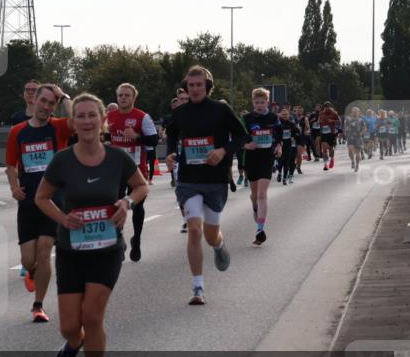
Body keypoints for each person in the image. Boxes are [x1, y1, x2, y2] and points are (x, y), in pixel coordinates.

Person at [36, 93, 148, 357]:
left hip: (107, 249)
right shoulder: (62, 160)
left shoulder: (117, 158)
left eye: (92, 116)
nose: (86, 121)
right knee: (70, 325)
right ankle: (75, 343)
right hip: (72, 249)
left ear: (103, 121)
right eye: (81, 116)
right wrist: (62, 218)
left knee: (92, 315)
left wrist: (127, 202)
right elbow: (41, 198)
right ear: (74, 123)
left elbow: (142, 186)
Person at [165, 66, 249, 305]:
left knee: (210, 235)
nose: (194, 89)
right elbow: (171, 133)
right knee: (194, 230)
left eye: (198, 85)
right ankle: (198, 287)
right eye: (190, 85)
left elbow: (243, 137)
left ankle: (219, 244)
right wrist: (171, 153)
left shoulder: (221, 110)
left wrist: (223, 151)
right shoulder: (181, 113)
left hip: (215, 180)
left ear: (207, 86)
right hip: (189, 180)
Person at [6, 83, 73, 322]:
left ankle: (38, 306)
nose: (46, 106)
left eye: (51, 103)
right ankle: (32, 272)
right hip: (28, 203)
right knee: (28, 260)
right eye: (42, 101)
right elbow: (11, 166)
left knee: (45, 252)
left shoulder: (58, 128)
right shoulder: (18, 132)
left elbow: (76, 119)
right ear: (34, 101)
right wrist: (14, 187)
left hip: (54, 201)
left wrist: (64, 95)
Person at [105, 82, 157, 262]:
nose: (123, 98)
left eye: (127, 95)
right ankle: (118, 240)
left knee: (138, 206)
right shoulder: (109, 117)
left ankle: (137, 239)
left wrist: (137, 137)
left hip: (136, 168)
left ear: (134, 98)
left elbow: (154, 140)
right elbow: (102, 137)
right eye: (120, 95)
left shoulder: (142, 117)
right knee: (114, 205)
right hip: (115, 169)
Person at [243, 88, 282, 245]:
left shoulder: (273, 118)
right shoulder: (246, 118)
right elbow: (238, 135)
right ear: (252, 102)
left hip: (266, 158)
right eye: (257, 102)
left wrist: (279, 147)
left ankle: (260, 229)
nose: (260, 105)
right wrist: (246, 144)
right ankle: (254, 207)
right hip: (251, 158)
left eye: (262, 102)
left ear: (267, 102)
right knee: (254, 195)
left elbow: (279, 135)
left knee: (261, 194)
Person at [277, 107, 299, 185]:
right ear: (280, 115)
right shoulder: (278, 123)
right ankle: (279, 172)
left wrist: (293, 137)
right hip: (280, 144)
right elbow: (274, 133)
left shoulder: (291, 123)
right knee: (280, 161)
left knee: (286, 162)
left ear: (288, 115)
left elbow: (296, 132)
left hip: (288, 144)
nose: (285, 116)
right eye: (283, 114)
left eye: (286, 114)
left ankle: (284, 178)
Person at [343, 106, 367, 172]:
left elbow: (364, 128)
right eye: (354, 111)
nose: (355, 113)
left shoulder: (361, 120)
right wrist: (345, 132)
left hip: (358, 138)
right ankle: (352, 161)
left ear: (358, 112)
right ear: (351, 112)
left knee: (357, 153)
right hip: (350, 137)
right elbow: (345, 126)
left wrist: (361, 133)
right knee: (350, 150)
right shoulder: (348, 119)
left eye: (356, 111)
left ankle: (357, 165)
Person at [318, 102, 340, 170]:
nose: (327, 108)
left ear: (330, 107)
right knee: (324, 149)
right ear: (324, 107)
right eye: (326, 107)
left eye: (328, 106)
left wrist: (332, 121)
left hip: (331, 133)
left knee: (331, 149)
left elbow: (339, 122)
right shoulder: (321, 113)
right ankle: (325, 164)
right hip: (324, 133)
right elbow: (319, 120)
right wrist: (319, 121)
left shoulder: (334, 113)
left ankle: (332, 159)